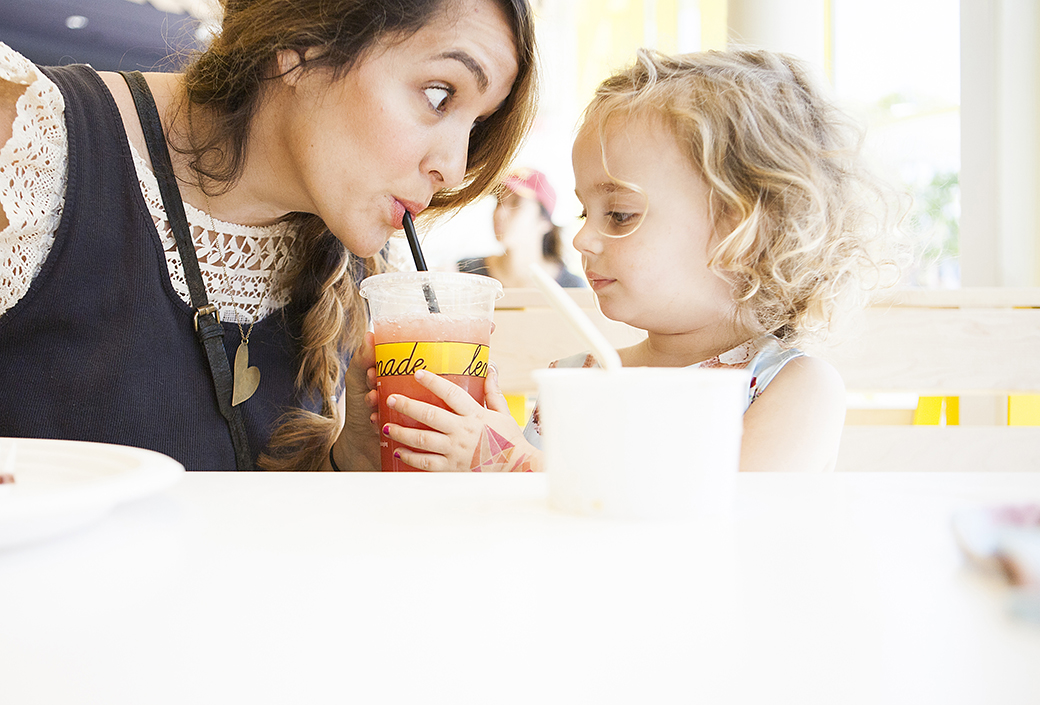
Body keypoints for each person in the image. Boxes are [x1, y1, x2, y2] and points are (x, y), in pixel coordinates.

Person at [0, 0, 538, 471]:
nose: (455, 167)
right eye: (440, 95)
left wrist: (348, 459)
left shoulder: (351, 254)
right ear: (305, 40)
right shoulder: (28, 144)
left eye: (476, 123)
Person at [377, 48, 906, 473]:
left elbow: (724, 522)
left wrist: (512, 460)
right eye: (585, 211)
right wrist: (477, 451)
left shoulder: (794, 388)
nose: (583, 239)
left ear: (743, 229)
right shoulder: (576, 379)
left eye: (620, 214)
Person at [457, 167, 585, 287]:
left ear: (544, 221)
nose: (499, 213)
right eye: (499, 202)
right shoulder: (465, 274)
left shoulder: (572, 287)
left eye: (515, 203)